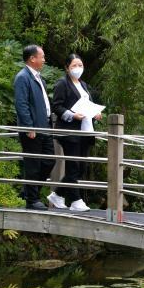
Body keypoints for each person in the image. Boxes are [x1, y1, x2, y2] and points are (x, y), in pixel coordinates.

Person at [50, 53, 103, 211]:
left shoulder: (83, 84)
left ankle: (58, 194)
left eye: (80, 65)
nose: (78, 68)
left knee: (80, 167)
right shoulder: (62, 84)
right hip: (70, 132)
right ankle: (75, 200)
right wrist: (72, 115)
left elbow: (88, 105)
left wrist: (95, 113)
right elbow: (57, 106)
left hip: (85, 131)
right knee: (73, 166)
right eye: (74, 65)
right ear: (67, 68)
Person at [13, 44, 56, 210]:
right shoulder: (23, 77)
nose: (44, 60)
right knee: (33, 164)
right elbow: (21, 104)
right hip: (32, 129)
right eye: (42, 57)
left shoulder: (39, 78)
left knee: (49, 161)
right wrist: (28, 127)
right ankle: (32, 200)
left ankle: (30, 192)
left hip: (45, 126)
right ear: (32, 58)